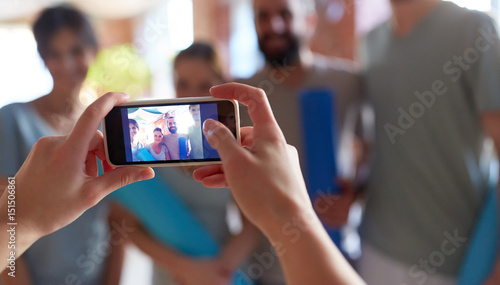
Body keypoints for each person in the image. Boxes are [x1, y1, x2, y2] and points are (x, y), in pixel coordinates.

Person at [0, 86, 366, 285]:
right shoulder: (12, 119)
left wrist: (18, 218)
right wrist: (19, 218)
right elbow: (125, 225)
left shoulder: (235, 161)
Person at [322, 0, 500, 284]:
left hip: (453, 262)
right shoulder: (370, 43)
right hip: (375, 248)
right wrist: (355, 191)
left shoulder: (476, 30)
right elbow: (379, 144)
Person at [237, 0, 362, 283]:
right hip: (266, 267)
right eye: (262, 16)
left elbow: (374, 151)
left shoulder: (348, 82)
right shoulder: (238, 94)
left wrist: (356, 194)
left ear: (309, 19)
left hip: (337, 257)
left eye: (285, 14)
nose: (273, 26)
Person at [120, 42, 262, 285]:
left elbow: (252, 224)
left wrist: (219, 271)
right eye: (182, 84)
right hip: (170, 274)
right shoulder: (152, 144)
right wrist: (186, 269)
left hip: (223, 272)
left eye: (203, 86)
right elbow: (129, 227)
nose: (190, 95)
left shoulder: (232, 147)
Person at [0, 5, 122, 284]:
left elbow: (117, 221)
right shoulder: (11, 120)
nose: (66, 64)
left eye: (76, 51)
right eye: (54, 54)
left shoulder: (107, 127)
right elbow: (5, 216)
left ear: (94, 51)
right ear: (43, 59)